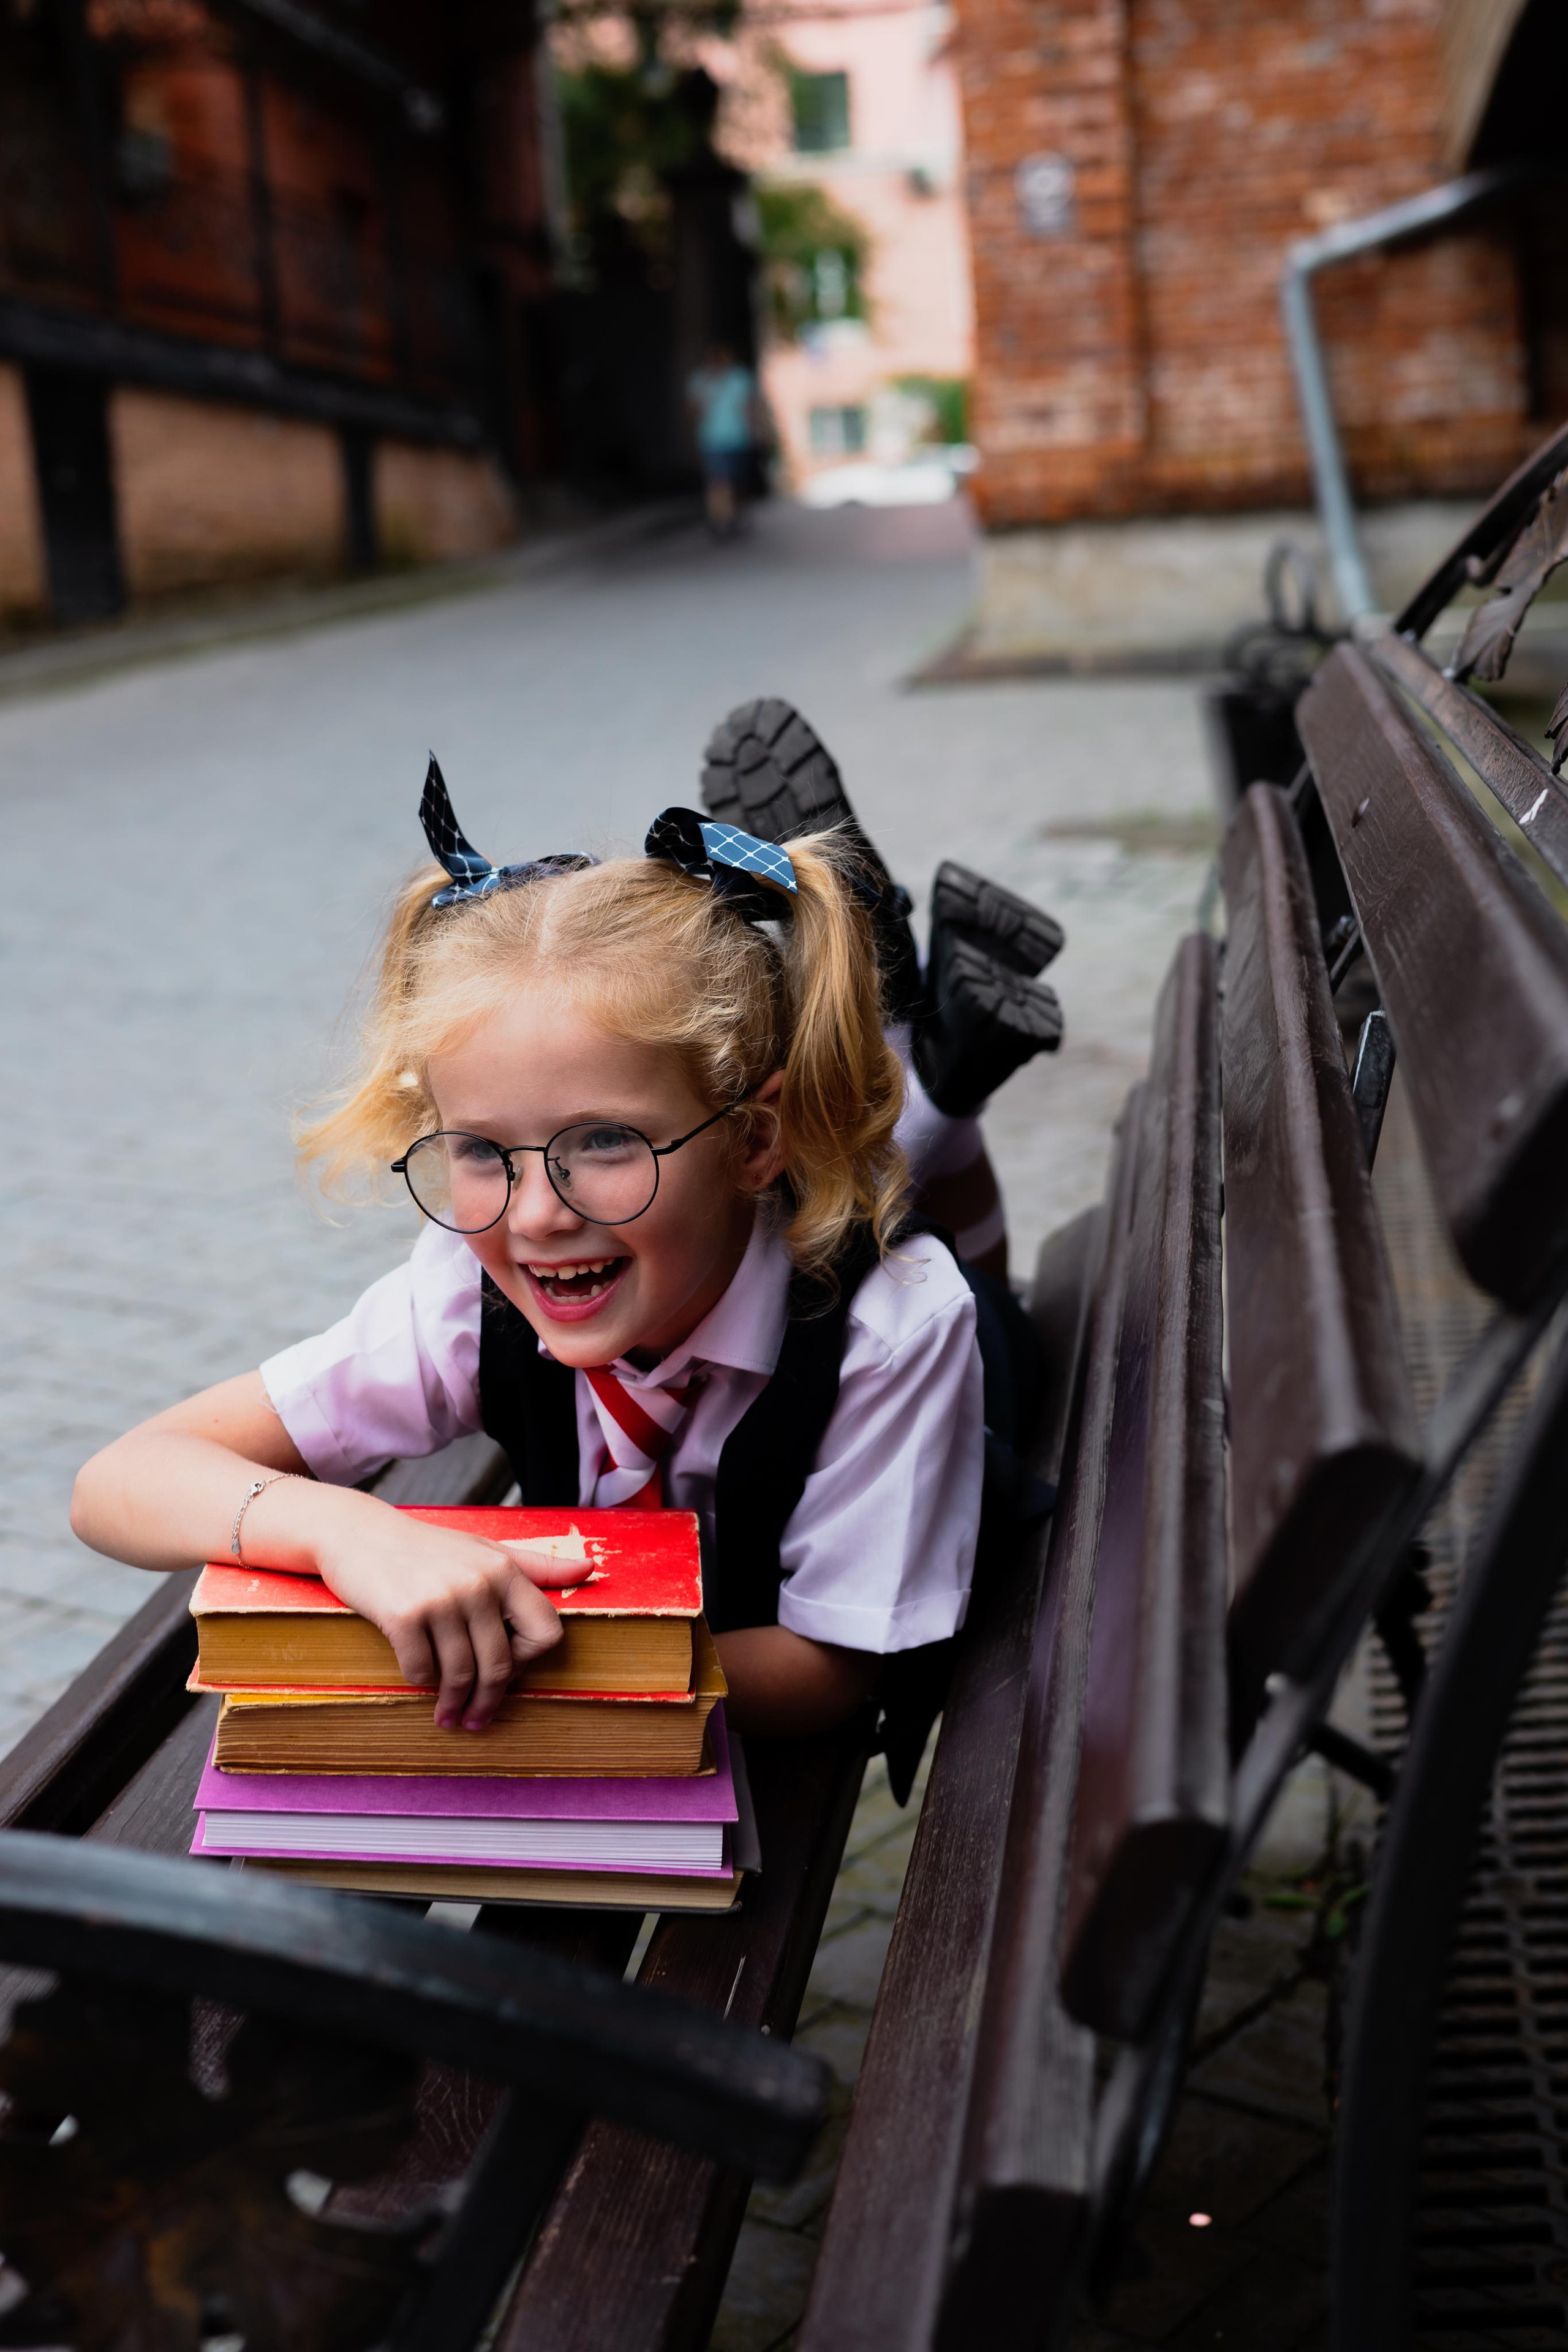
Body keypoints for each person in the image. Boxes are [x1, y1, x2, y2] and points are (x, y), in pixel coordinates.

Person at [71, 764, 984, 1761]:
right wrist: (349, 1531)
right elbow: (121, 1480)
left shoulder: (890, 1335)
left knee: (951, 1269)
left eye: (604, 1142)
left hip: (961, 1405)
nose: (539, 1216)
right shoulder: (465, 1296)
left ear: (753, 1139)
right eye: (479, 1152)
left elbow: (831, 1673)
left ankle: (935, 1097)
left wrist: (537, 1663)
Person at [699, 698, 1066, 1278]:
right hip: (979, 1303)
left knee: (791, 1243)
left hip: (974, 1327)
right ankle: (912, 1059)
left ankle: (929, 1077)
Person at [686, 342, 758, 538]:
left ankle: (735, 514)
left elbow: (748, 408)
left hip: (737, 438)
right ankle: (720, 519)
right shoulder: (700, 380)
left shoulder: (739, 378)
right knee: (718, 481)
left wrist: (753, 434)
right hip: (712, 440)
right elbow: (693, 413)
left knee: (736, 482)